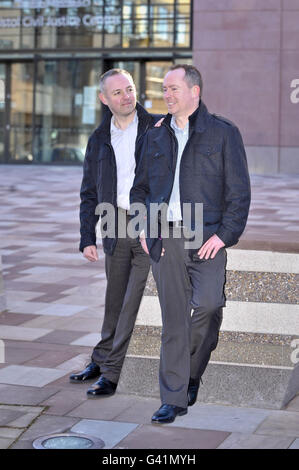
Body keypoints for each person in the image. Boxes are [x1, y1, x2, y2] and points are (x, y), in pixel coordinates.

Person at [130, 64, 251, 423]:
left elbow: (239, 193)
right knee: (174, 321)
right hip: (164, 235)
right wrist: (142, 227)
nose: (166, 95)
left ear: (194, 91)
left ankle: (192, 373)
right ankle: (174, 397)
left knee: (211, 305)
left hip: (206, 236)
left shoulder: (223, 133)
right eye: (164, 90)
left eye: (173, 89)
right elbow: (140, 189)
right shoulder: (153, 135)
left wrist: (224, 235)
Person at [70, 68, 163, 398]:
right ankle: (101, 357)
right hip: (113, 223)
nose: (127, 96)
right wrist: (87, 237)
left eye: (130, 89)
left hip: (147, 224)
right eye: (118, 92)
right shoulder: (98, 139)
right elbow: (89, 192)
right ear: (103, 99)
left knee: (132, 300)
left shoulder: (158, 129)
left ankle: (111, 372)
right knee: (114, 299)